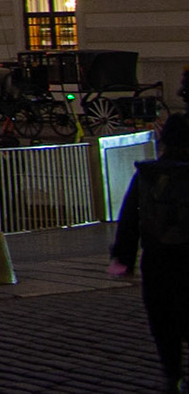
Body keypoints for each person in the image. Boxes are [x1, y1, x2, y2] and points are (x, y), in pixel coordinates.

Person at [112, 114, 189, 393]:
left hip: (158, 261)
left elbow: (130, 218)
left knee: (163, 321)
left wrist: (123, 257)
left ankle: (172, 375)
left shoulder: (147, 175)